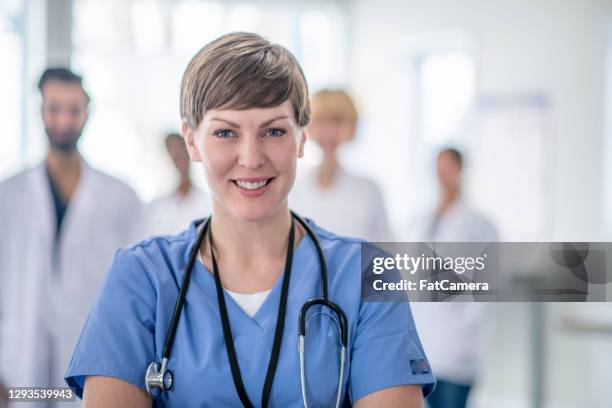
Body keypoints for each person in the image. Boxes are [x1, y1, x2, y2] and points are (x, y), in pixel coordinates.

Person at [65, 32, 435, 407]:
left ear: (302, 137)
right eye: (226, 132)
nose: (251, 158)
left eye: (273, 131)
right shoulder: (140, 278)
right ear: (191, 140)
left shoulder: (367, 273)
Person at [0, 68, 142, 405]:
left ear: (87, 113)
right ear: (40, 112)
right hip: (18, 362)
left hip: (94, 360)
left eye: (73, 109)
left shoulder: (121, 198)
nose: (64, 119)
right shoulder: (7, 196)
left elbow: (135, 294)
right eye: (54, 108)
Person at [408, 148, 498, 408]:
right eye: (438, 169)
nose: (442, 175)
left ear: (460, 171)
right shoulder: (421, 220)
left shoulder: (479, 224)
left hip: (458, 346)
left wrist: (468, 334)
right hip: (424, 346)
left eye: (448, 169)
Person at [290, 89, 393, 241]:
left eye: (336, 121)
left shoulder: (369, 190)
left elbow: (384, 248)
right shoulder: (293, 188)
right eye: (321, 121)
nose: (328, 131)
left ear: (352, 125)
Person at [141, 132, 211, 236]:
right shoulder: (155, 208)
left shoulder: (208, 203)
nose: (179, 161)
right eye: (175, 156)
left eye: (182, 154)